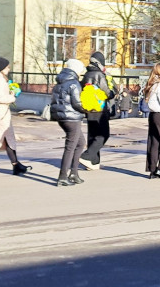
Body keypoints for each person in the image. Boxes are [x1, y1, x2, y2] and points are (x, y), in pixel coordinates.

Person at [49, 58, 88, 187]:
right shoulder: (73, 83)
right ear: (76, 69)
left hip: (61, 117)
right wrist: (88, 109)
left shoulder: (60, 82)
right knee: (70, 147)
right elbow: (77, 103)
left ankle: (74, 173)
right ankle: (63, 176)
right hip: (72, 118)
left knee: (80, 143)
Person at [79, 51, 114, 171]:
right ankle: (86, 156)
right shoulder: (99, 74)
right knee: (103, 134)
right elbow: (107, 92)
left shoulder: (86, 74)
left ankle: (93, 162)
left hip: (89, 109)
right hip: (100, 109)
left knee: (92, 135)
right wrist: (113, 92)